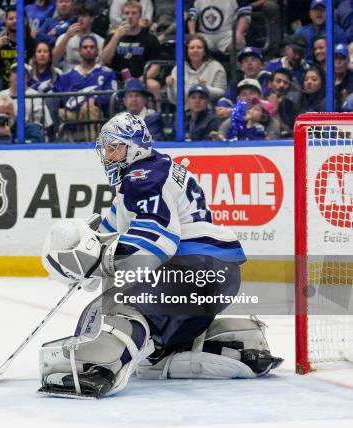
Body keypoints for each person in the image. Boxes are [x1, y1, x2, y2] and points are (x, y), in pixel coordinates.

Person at [39, 112, 282, 398]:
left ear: (135, 147)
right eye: (105, 147)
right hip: (219, 274)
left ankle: (100, 370)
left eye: (114, 146)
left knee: (120, 304)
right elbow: (109, 233)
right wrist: (89, 256)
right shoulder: (156, 171)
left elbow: (156, 241)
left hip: (191, 271)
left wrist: (101, 261)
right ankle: (240, 345)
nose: (107, 154)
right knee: (159, 350)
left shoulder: (141, 177)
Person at [54, 35, 117, 141]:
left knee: (90, 109)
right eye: (85, 47)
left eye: (92, 47)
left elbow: (111, 96)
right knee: (57, 112)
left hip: (96, 113)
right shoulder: (67, 76)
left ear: (97, 51)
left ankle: (93, 145)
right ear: (79, 51)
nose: (88, 50)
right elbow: (59, 97)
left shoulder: (107, 73)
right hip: (72, 113)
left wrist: (95, 100)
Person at [102, 1, 161, 81]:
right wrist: (116, 36)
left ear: (140, 16)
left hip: (141, 81)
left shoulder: (150, 38)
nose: (130, 16)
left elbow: (155, 67)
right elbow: (105, 59)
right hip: (116, 81)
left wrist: (139, 81)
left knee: (153, 85)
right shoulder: (112, 37)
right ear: (122, 15)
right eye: (126, 13)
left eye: (134, 13)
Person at [165, 34, 227, 107]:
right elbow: (174, 100)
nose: (195, 50)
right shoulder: (178, 68)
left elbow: (222, 93)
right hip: (185, 113)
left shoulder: (216, 67)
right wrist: (170, 87)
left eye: (199, 48)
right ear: (187, 51)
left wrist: (205, 88)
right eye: (191, 48)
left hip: (209, 112)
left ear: (205, 51)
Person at [0, 7, 36, 90]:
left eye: (17, 18)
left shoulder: (32, 43)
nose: (14, 21)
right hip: (2, 87)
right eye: (11, 18)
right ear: (5, 21)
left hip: (26, 86)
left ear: (26, 21)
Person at [52, 3, 105, 72]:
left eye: (84, 16)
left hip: (92, 77)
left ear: (91, 19)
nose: (80, 19)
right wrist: (66, 37)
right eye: (78, 16)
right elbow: (54, 60)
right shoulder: (65, 37)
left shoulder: (100, 41)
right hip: (69, 78)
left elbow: (101, 65)